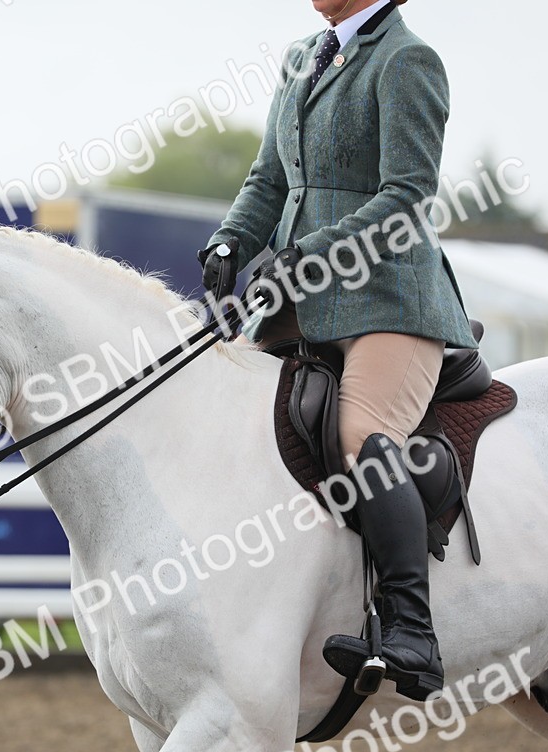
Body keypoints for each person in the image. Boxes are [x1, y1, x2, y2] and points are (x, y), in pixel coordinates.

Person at [198, 0, 477, 701]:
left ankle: (411, 627)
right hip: (301, 303)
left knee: (361, 431)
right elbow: (269, 179)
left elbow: (407, 198)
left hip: (390, 299)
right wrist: (231, 239)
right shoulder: (304, 55)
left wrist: (304, 254)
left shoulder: (406, 61)